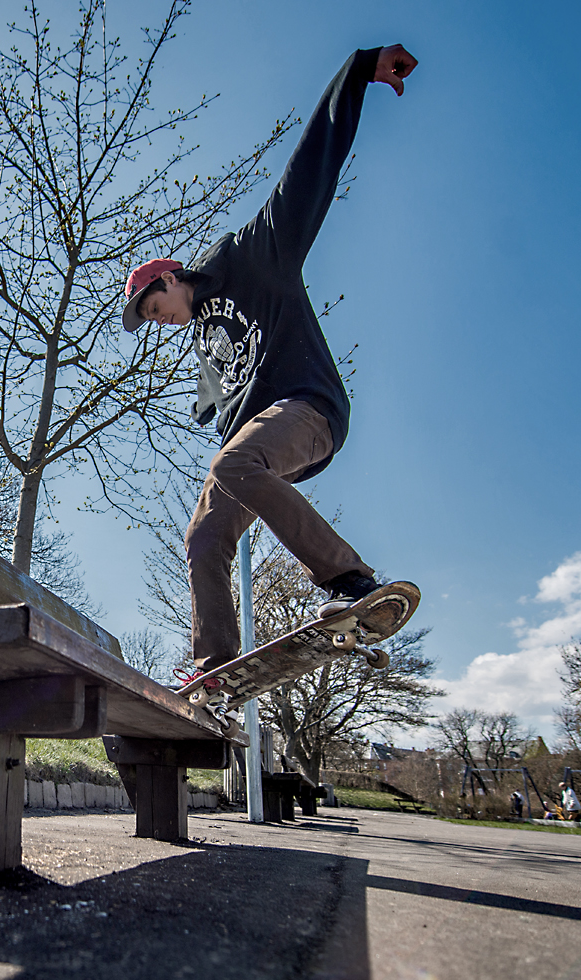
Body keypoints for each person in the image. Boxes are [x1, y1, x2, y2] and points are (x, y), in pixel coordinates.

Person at [119, 44, 420, 681]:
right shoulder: (207, 342)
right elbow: (221, 405)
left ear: (175, 275)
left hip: (310, 411)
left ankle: (350, 577)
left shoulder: (254, 259)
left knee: (231, 461)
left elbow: (307, 172)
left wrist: (358, 71)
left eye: (156, 304)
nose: (160, 320)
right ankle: (215, 667)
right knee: (202, 538)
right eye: (149, 320)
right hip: (256, 448)